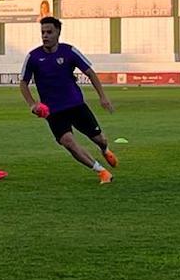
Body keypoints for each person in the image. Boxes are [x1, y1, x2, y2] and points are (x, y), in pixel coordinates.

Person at [19, 16, 117, 184]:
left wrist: (103, 96)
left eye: (49, 32)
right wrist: (33, 104)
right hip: (52, 111)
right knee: (68, 142)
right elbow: (23, 83)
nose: (45, 36)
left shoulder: (69, 51)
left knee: (99, 139)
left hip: (76, 105)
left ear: (58, 32)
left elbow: (90, 73)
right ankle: (101, 171)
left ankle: (105, 149)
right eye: (43, 32)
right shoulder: (33, 57)